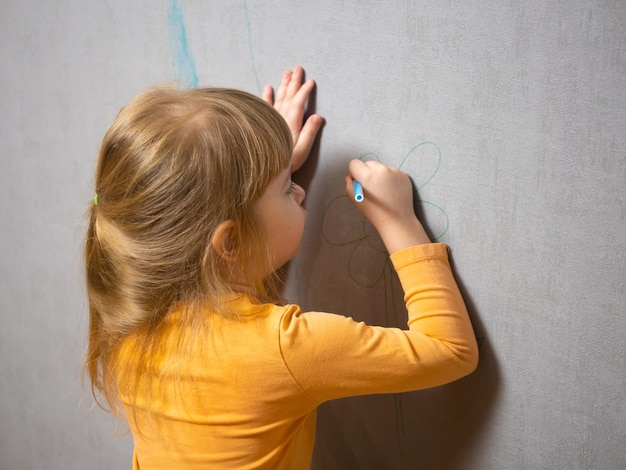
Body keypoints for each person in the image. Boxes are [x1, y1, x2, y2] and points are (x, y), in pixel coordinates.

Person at [84, 66, 478, 469]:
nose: (302, 189)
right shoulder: (285, 348)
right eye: (287, 186)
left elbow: (235, 289)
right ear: (231, 243)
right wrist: (399, 222)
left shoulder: (127, 320)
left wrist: (260, 170)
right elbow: (451, 351)